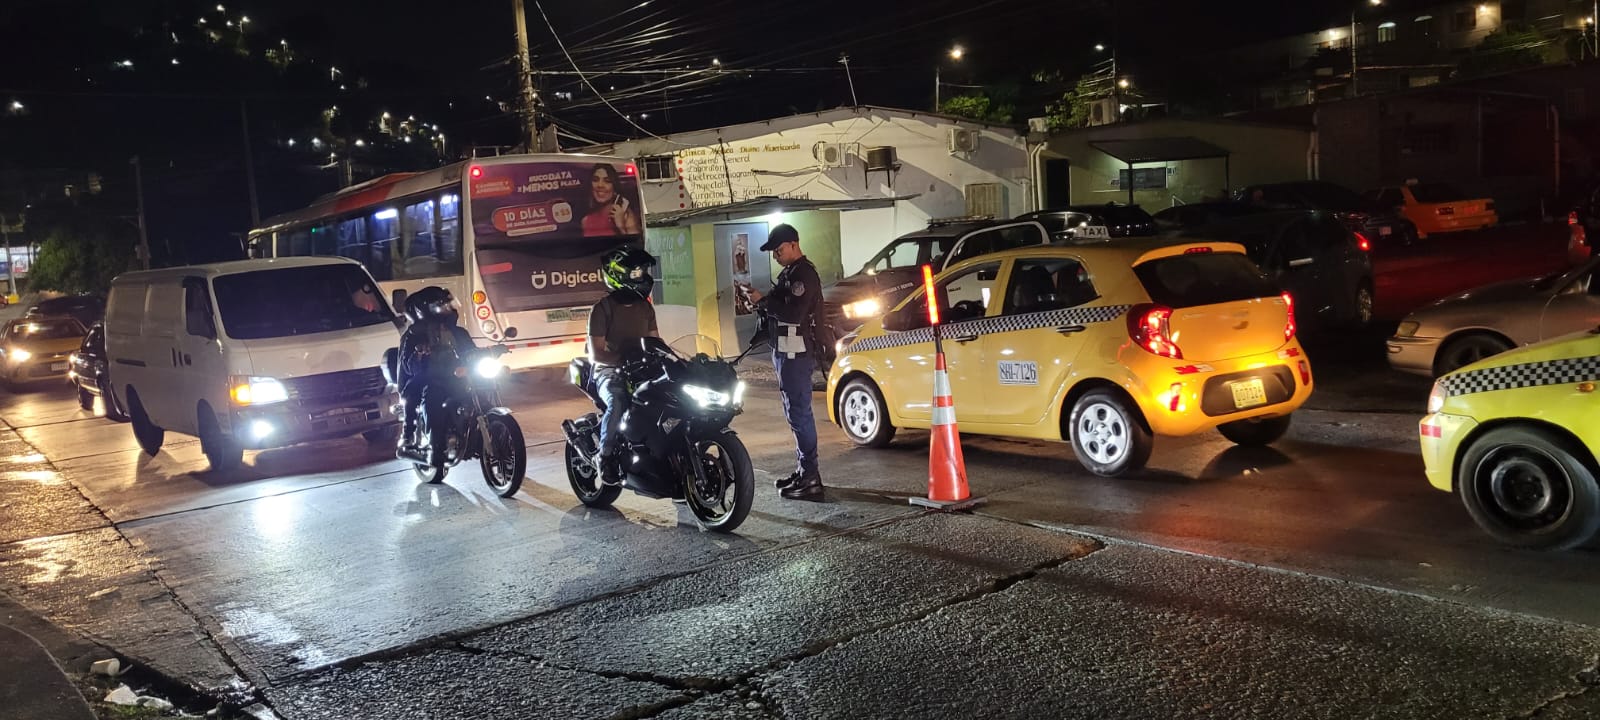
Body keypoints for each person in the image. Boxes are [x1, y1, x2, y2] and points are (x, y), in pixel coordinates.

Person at [745, 223, 825, 500]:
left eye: (779, 250)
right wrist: (760, 301)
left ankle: (810, 476)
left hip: (796, 353)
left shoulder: (804, 274)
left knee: (799, 413)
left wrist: (765, 302)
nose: (776, 256)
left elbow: (794, 314)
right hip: (785, 350)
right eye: (773, 252)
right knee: (794, 412)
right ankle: (804, 470)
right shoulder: (791, 273)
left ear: (794, 244)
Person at [587, 246, 660, 485]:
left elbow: (655, 341)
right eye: (637, 272)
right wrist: (622, 360)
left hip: (640, 369)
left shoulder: (645, 307)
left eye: (643, 271)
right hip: (609, 371)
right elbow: (597, 353)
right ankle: (605, 455)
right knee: (617, 401)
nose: (643, 276)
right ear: (618, 274)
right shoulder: (602, 309)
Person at [395, 286, 475, 464]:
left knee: (484, 384)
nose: (448, 309)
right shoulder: (414, 335)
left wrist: (492, 351)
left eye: (448, 305)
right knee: (433, 398)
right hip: (430, 380)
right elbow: (409, 367)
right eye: (442, 306)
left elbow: (471, 352)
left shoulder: (458, 332)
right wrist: (419, 353)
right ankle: (436, 448)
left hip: (457, 377)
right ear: (427, 309)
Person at [581, 164, 642, 238]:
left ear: (615, 188)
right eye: (595, 180)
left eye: (607, 181)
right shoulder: (585, 221)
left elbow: (634, 243)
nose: (600, 185)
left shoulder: (626, 216)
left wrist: (621, 227)